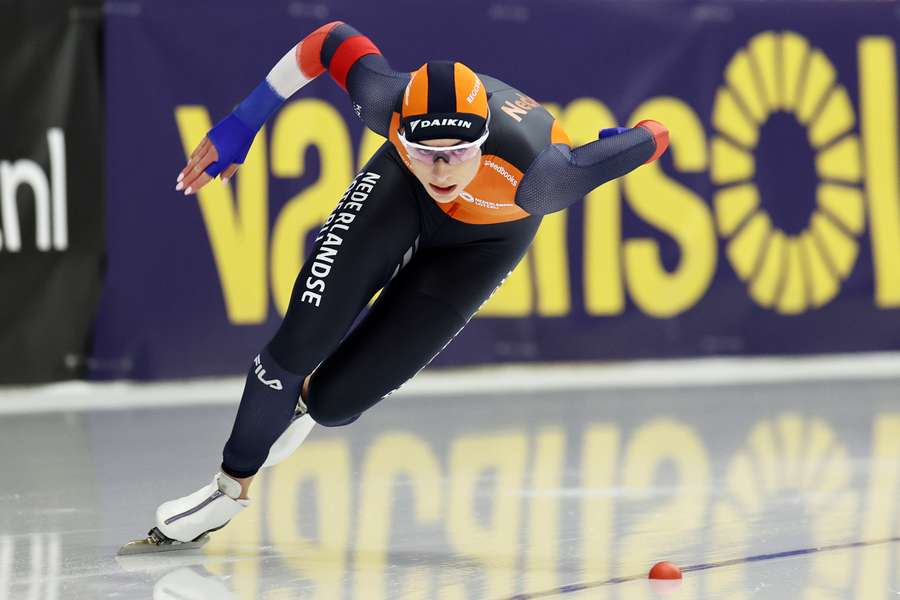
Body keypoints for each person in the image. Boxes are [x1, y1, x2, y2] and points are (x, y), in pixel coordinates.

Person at [138, 21, 668, 549]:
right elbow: (328, 40)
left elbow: (657, 134)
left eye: (459, 152)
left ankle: (302, 405)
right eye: (425, 149)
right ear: (399, 131)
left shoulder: (544, 178)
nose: (441, 170)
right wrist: (244, 120)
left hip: (485, 243)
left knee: (335, 402)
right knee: (299, 340)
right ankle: (228, 491)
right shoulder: (380, 100)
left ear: (483, 140)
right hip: (397, 190)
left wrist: (630, 141)